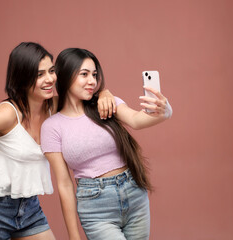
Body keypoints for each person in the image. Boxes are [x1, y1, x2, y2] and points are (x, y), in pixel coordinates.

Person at [0, 42, 116, 240]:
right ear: (22, 78)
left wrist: (104, 93)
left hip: (28, 208)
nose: (49, 79)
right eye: (39, 75)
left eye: (51, 71)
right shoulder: (7, 114)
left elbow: (86, 94)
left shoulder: (54, 106)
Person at [40, 48, 173, 240]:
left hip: (134, 193)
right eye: (84, 74)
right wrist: (73, 236)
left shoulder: (106, 104)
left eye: (94, 74)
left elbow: (137, 120)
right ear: (66, 75)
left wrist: (165, 111)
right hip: (96, 207)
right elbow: (64, 184)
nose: (92, 81)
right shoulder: (52, 127)